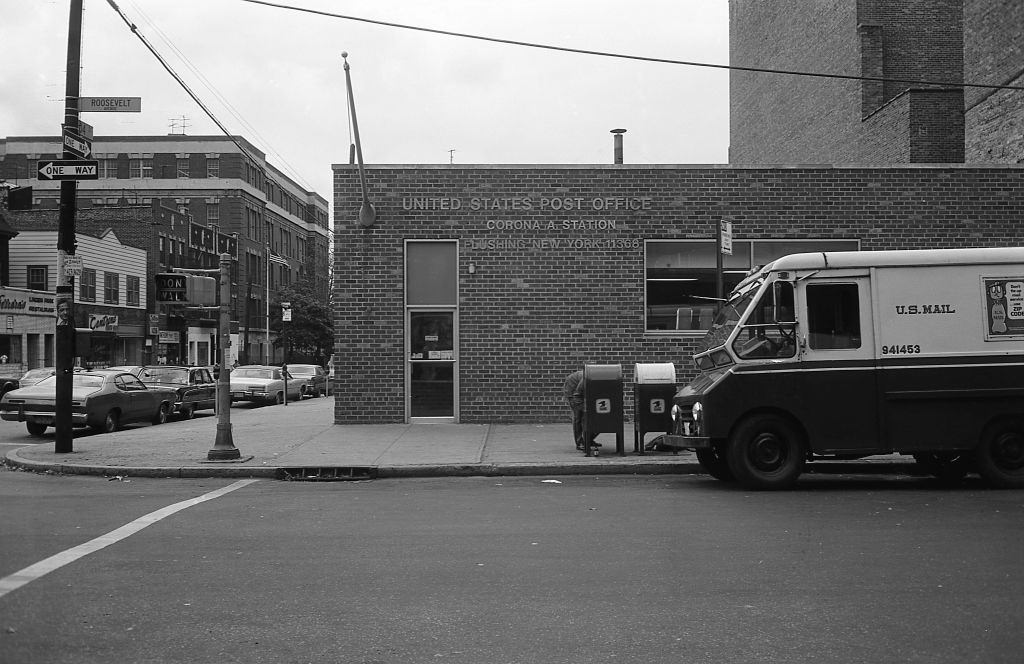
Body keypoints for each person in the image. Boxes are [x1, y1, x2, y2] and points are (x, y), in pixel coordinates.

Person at [563, 369, 598, 451]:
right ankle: (579, 443)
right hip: (572, 391)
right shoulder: (586, 379)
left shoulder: (596, 379)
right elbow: (577, 395)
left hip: (580, 392)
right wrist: (583, 408)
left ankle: (588, 440)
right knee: (578, 417)